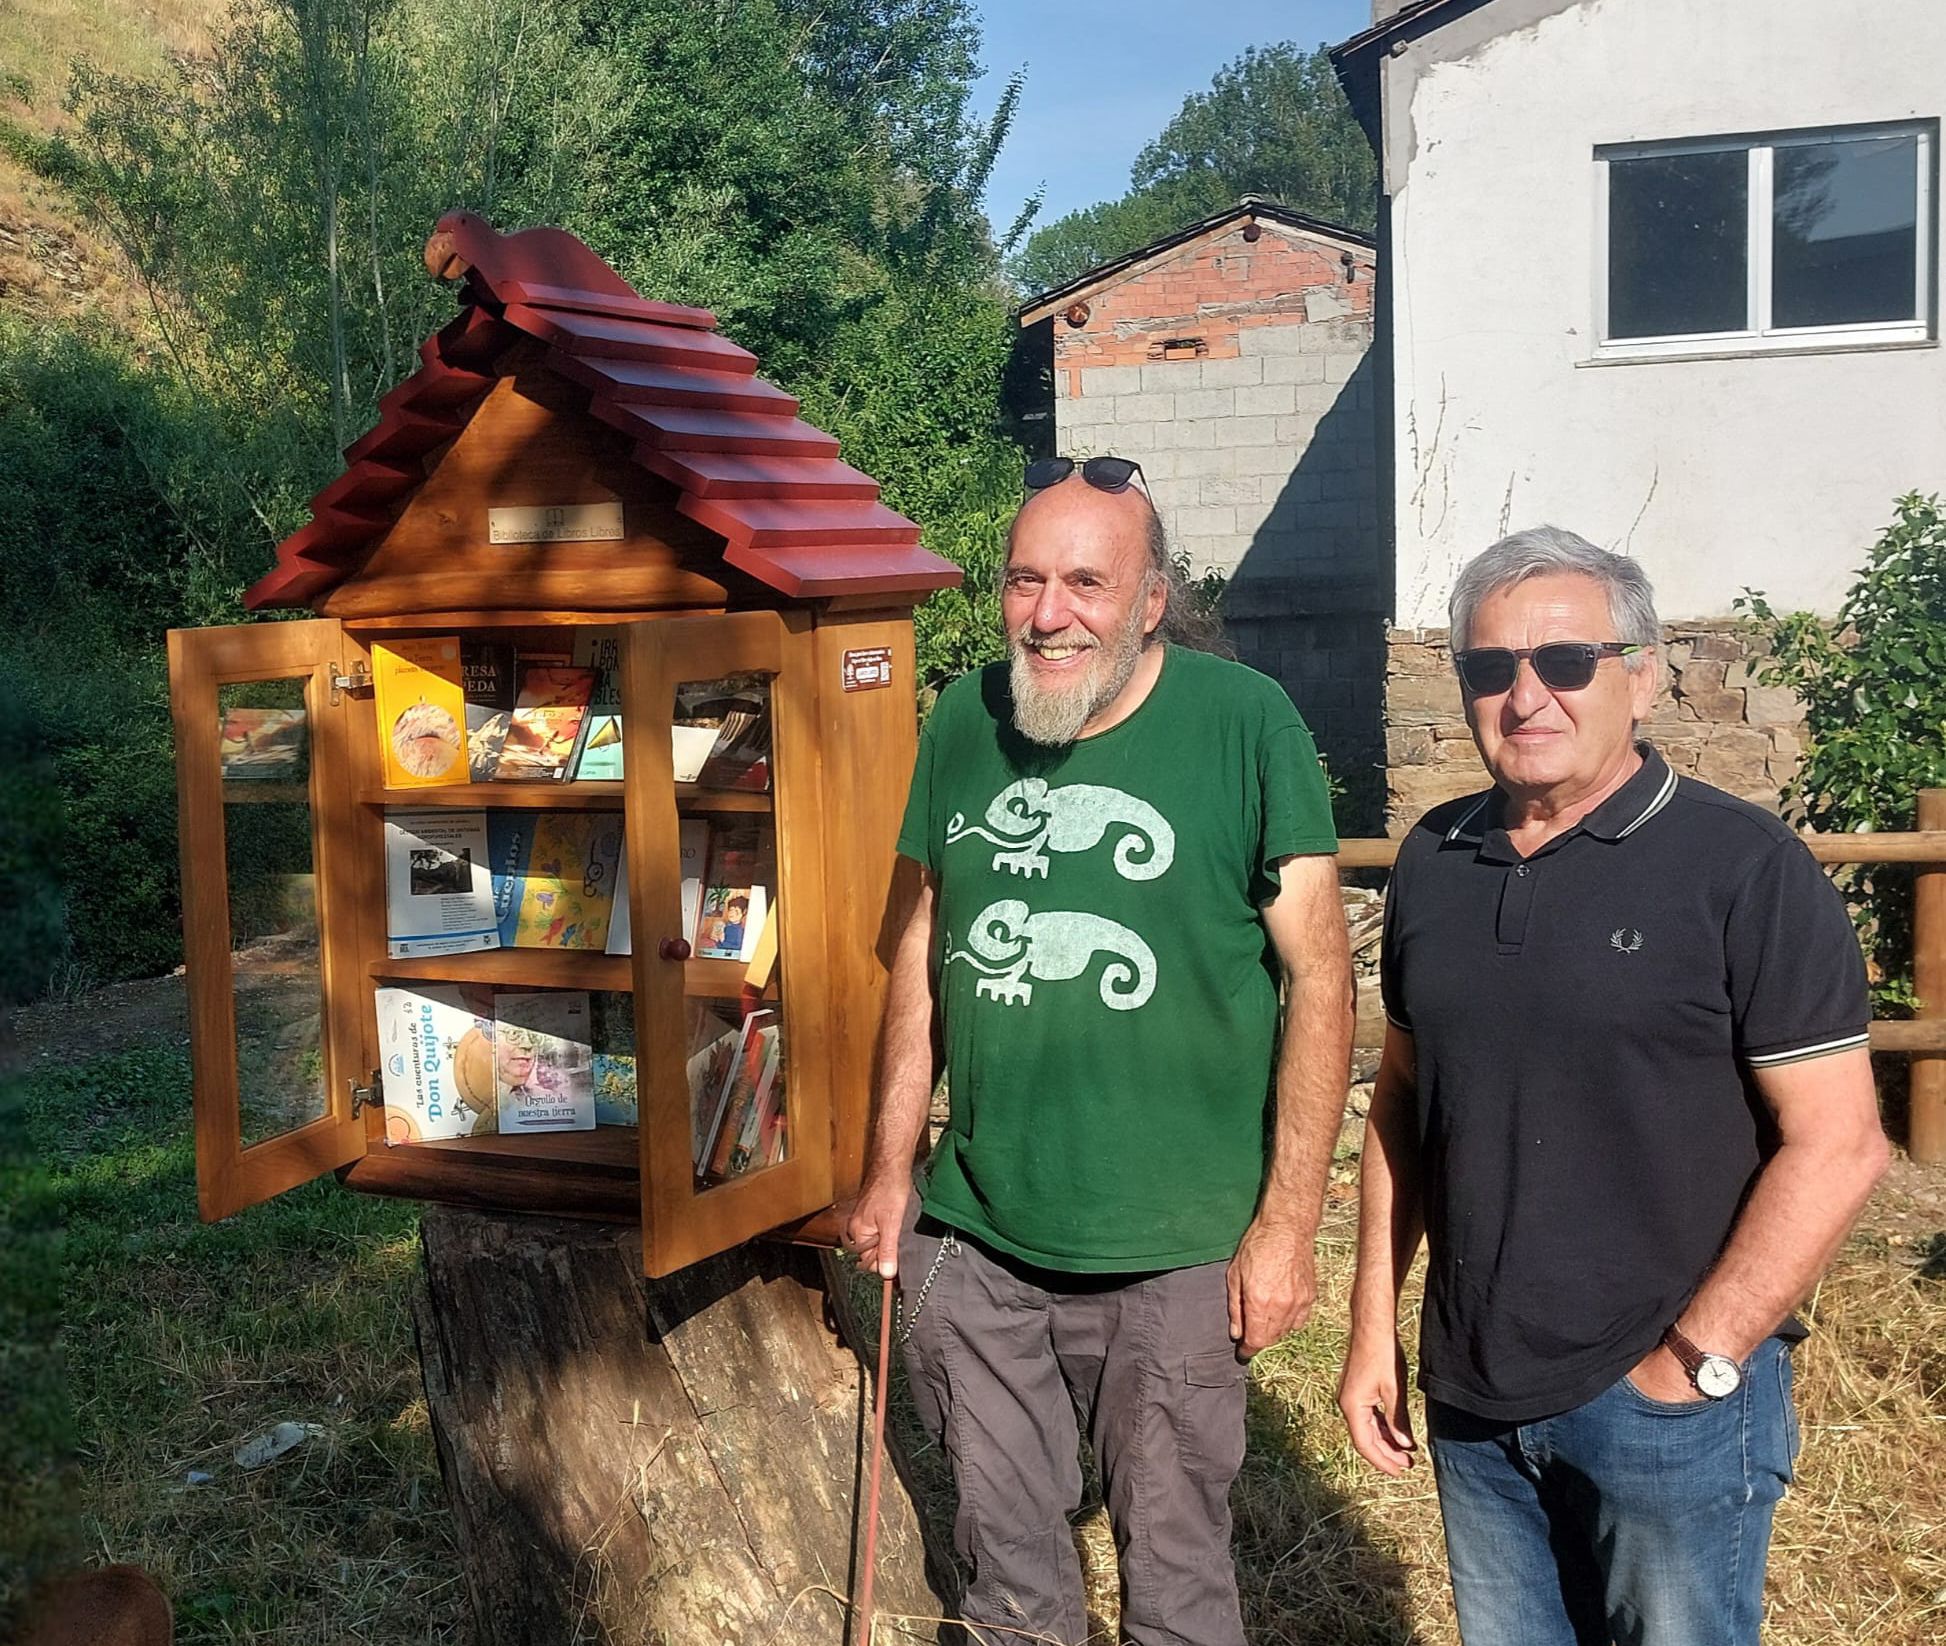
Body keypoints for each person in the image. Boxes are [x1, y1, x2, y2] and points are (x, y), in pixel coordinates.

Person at [1338, 527, 1891, 1646]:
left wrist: (1693, 1360)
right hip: (1473, 1394)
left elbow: (1838, 1142)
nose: (1525, 694)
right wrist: (1370, 1330)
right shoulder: (1434, 859)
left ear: (1638, 675)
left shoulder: (1739, 868)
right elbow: (1402, 1103)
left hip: (1664, 1406)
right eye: (1490, 668)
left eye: (1565, 661)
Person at [845, 454, 1354, 1646]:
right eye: (1025, 580)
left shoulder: (1246, 724)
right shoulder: (964, 717)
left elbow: (1320, 975)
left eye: (1085, 580)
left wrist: (1285, 1227)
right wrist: (887, 1175)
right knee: (1007, 1578)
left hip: (1174, 1252)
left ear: (1147, 599)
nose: (1049, 613)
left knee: (1175, 1587)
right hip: (976, 1244)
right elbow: (921, 955)